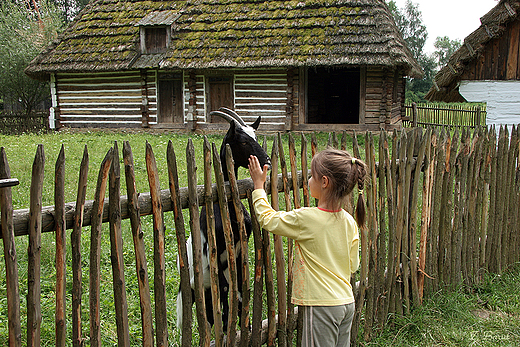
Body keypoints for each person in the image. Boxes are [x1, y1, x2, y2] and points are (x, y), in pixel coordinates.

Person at [248, 148, 367, 347]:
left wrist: (259, 187)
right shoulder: (349, 221)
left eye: (312, 176)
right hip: (346, 303)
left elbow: (268, 220)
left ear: (325, 182)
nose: (309, 180)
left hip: (322, 305)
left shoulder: (307, 218)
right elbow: (353, 265)